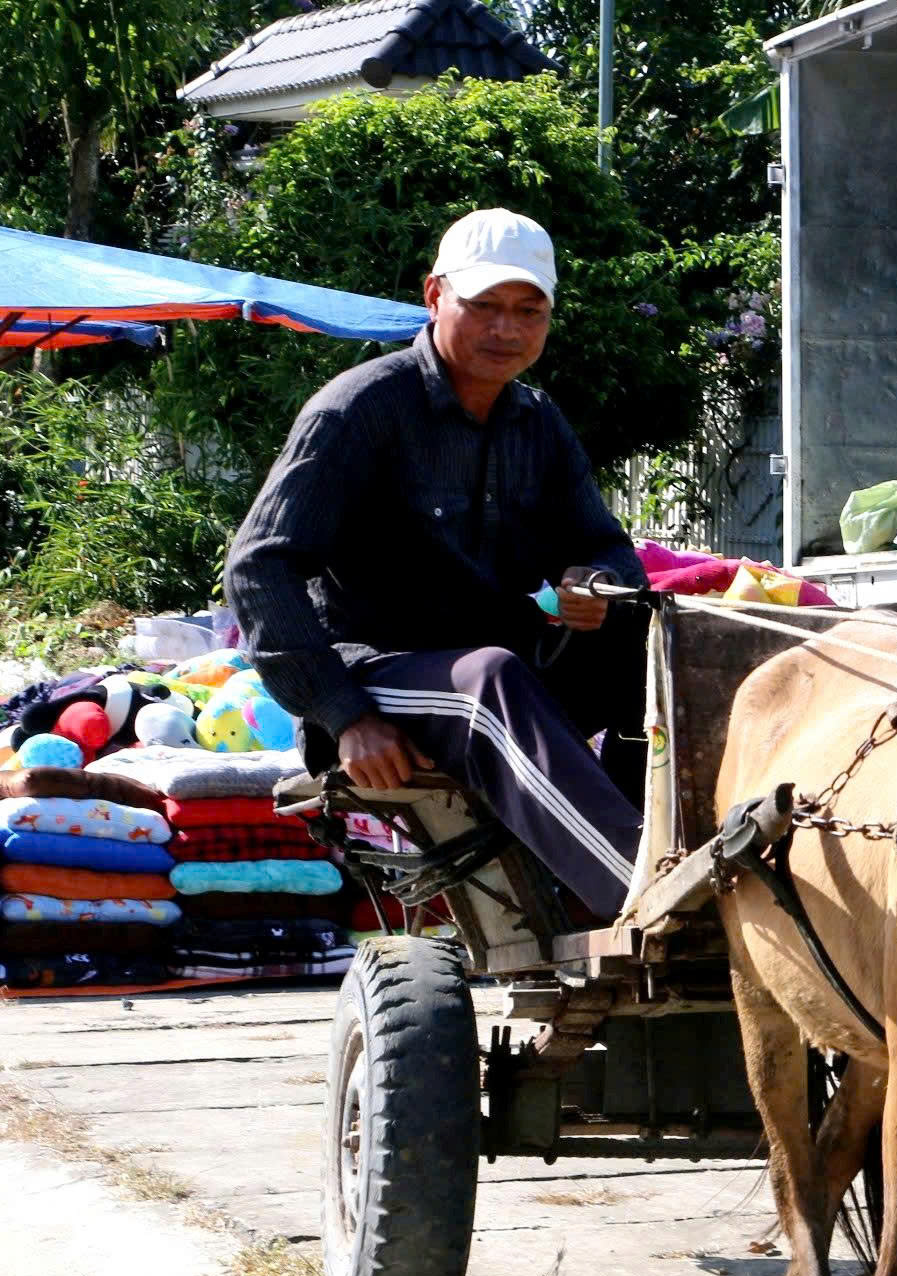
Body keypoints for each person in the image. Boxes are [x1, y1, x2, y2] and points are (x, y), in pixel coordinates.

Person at [226, 208, 650, 918]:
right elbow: (257, 567)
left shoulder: (537, 421)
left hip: (503, 669)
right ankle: (646, 898)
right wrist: (345, 715)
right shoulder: (360, 410)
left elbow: (607, 548)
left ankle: (665, 847)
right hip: (378, 677)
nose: (506, 329)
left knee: (660, 647)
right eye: (484, 306)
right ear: (433, 296)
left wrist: (595, 583)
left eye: (528, 311)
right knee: (488, 681)